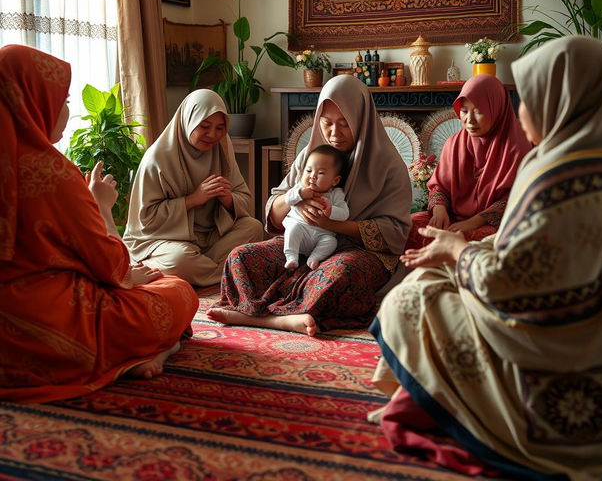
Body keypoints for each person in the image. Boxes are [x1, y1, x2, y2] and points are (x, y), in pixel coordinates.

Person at [370, 36, 602, 479]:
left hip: (558, 366)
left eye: (528, 99)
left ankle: (438, 405)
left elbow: (507, 281)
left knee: (414, 295)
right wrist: (452, 229)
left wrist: (458, 249)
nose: (522, 112)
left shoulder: (553, 172)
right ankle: (419, 397)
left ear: (561, 103)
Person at [0, 44, 199, 403]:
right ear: (34, 99)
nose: (67, 111)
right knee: (177, 289)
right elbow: (111, 266)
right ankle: (145, 352)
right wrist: (103, 207)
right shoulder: (50, 172)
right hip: (55, 329)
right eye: (63, 101)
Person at [207, 74, 412, 336]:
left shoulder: (388, 164)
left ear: (361, 120)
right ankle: (284, 317)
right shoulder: (312, 155)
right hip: (303, 240)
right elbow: (273, 210)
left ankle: (262, 317)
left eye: (344, 124)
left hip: (358, 251)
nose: (334, 134)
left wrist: (332, 223)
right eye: (326, 123)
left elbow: (394, 232)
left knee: (340, 275)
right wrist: (297, 199)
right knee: (241, 257)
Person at [123, 89, 263, 287]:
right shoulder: (158, 159)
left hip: (209, 238)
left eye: (220, 128)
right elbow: (146, 220)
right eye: (205, 126)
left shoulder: (222, 148)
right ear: (188, 120)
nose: (212, 135)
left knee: (253, 227)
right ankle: (227, 270)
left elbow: (245, 200)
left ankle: (203, 270)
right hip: (163, 241)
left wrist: (228, 199)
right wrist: (194, 199)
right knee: (180, 260)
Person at [405, 74, 531, 250]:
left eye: (479, 111)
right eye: (464, 111)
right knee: (407, 226)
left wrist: (474, 222)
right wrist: (439, 209)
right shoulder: (455, 142)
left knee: (471, 239)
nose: (469, 120)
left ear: (497, 109)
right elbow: (439, 186)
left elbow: (516, 199)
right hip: (453, 217)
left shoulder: (517, 146)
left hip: (495, 222)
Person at [283, 144, 349, 270]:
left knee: (331, 242)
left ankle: (314, 258)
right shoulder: (300, 187)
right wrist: (300, 194)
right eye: (308, 171)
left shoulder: (336, 194)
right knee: (293, 228)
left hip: (321, 235)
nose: (313, 176)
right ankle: (291, 257)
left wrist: (331, 211)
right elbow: (288, 199)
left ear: (335, 181)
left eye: (321, 173)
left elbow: (345, 214)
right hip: (301, 230)